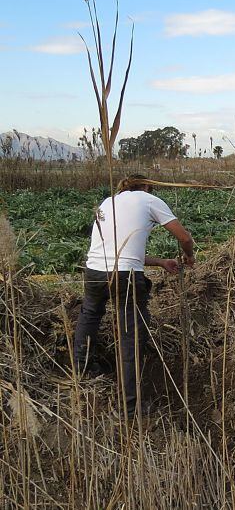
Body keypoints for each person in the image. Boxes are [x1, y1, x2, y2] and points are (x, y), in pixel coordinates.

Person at [73, 174, 195, 419]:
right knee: (131, 335)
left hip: (94, 271)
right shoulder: (149, 200)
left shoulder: (108, 202)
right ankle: (131, 407)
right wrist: (189, 256)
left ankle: (82, 371)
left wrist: (160, 262)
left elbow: (119, 250)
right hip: (125, 277)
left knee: (90, 314)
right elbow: (184, 237)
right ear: (147, 186)